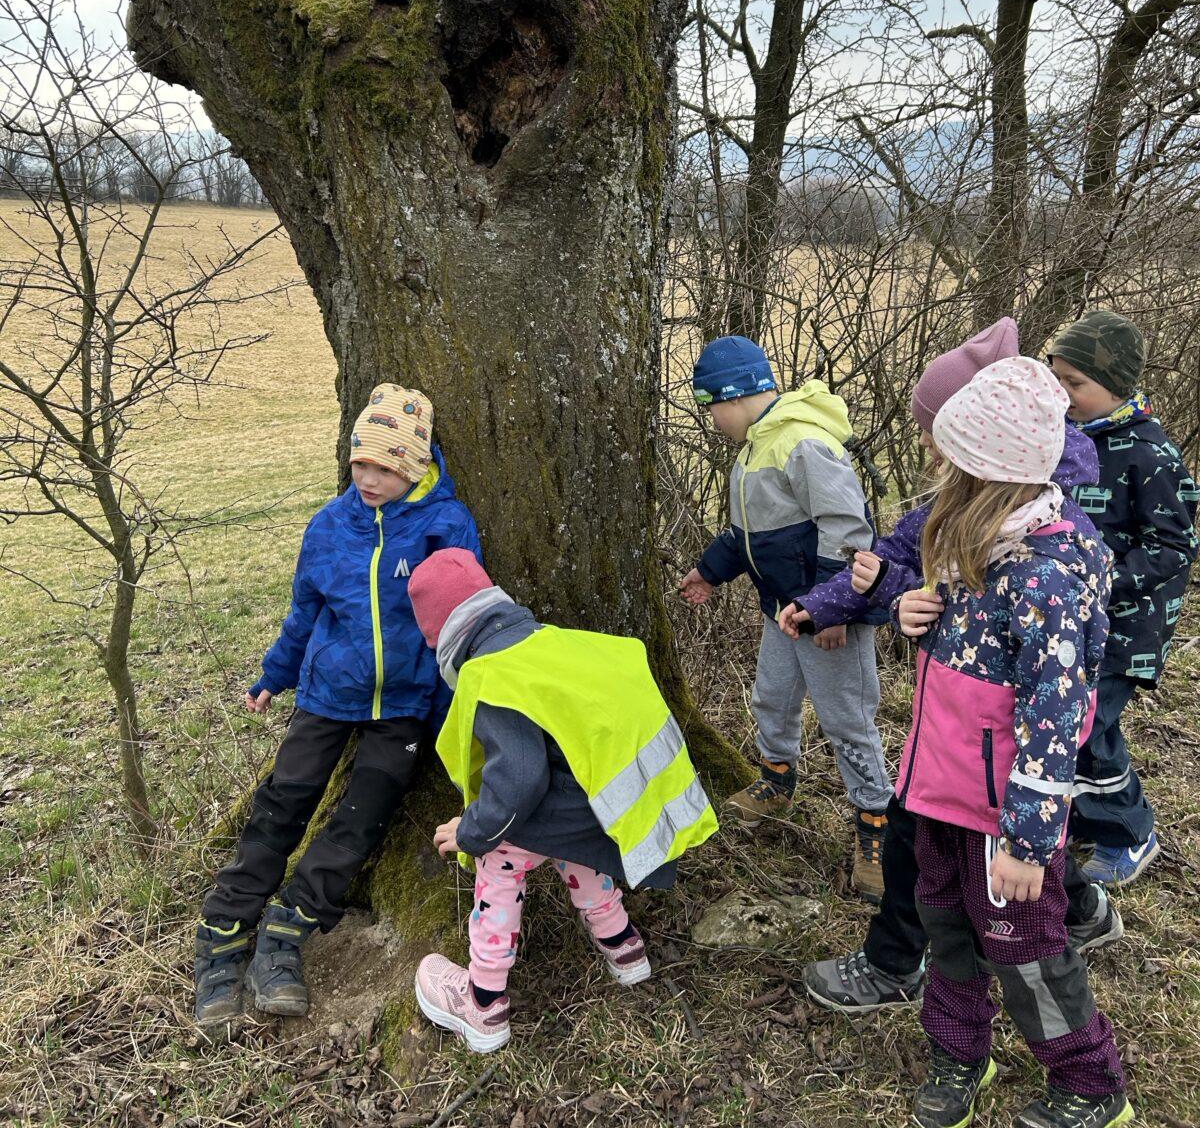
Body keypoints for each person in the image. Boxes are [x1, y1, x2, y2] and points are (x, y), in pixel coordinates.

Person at [803, 322, 1123, 1016]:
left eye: (938, 436)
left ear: (983, 446)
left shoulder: (1040, 543)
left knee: (937, 861)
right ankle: (1074, 912)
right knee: (943, 858)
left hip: (989, 752)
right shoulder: (973, 511)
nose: (927, 449)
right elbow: (954, 601)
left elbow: (1050, 674)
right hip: (949, 742)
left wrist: (1033, 832)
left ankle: (898, 963)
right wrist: (908, 608)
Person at [889, 356, 1131, 1128]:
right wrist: (914, 616)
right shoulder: (975, 546)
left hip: (1005, 814)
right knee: (944, 921)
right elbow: (962, 657)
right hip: (939, 791)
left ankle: (1089, 1080)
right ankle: (960, 1053)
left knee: (1024, 947)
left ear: (987, 475)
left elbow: (1055, 723)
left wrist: (1029, 843)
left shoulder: (1046, 578)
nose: (936, 474)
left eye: (950, 464)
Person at [193, 385, 482, 1029]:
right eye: (361, 465)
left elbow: (461, 618)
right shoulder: (329, 526)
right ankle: (223, 933)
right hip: (328, 694)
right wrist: (277, 673)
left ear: (414, 466)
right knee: (284, 800)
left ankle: (287, 930)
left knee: (362, 817)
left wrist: (448, 714)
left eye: (386, 467)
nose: (370, 479)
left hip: (405, 701)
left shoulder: (446, 524)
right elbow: (305, 611)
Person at [408, 548, 717, 1054]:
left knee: (501, 863)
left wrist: (472, 831)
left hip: (555, 807)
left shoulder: (492, 674)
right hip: (603, 810)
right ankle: (623, 946)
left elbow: (520, 782)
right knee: (573, 847)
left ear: (438, 639)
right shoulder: (551, 645)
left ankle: (482, 1004)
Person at [678, 336, 893, 900]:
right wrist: (709, 571)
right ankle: (777, 781)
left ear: (734, 395)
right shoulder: (754, 447)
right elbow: (749, 535)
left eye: (711, 407)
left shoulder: (801, 443)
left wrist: (834, 607)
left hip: (828, 619)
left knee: (847, 720)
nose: (712, 420)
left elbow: (847, 528)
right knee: (771, 696)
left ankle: (876, 827)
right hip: (783, 611)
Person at [1050, 309, 1199, 886]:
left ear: (1116, 384)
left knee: (1088, 724)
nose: (1063, 394)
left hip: (1127, 628)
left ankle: (1130, 832)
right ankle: (1088, 813)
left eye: (1075, 383)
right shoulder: (1069, 440)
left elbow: (1174, 545)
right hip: (1073, 616)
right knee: (1067, 717)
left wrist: (1101, 579)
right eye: (1056, 378)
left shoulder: (1149, 452)